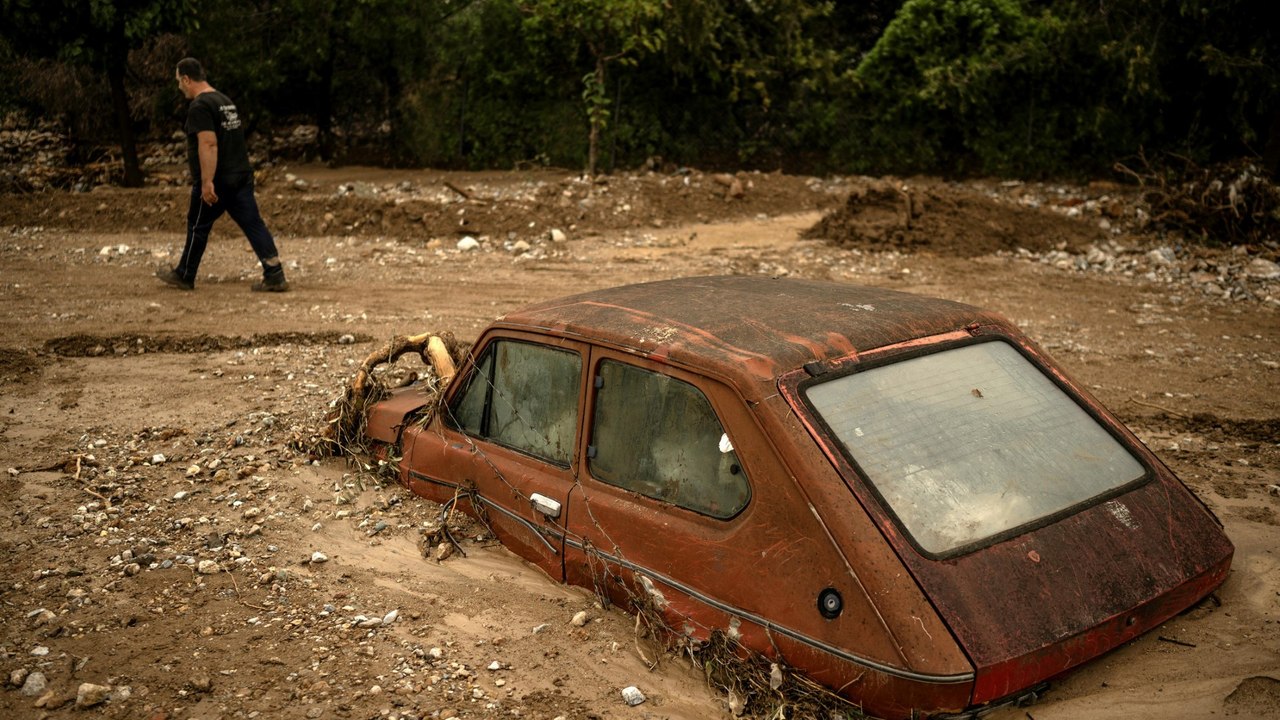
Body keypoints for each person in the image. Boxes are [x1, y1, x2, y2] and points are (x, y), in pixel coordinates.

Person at [156, 57, 288, 292]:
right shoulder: (225, 101)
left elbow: (208, 144)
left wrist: (207, 182)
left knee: (197, 225)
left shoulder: (200, 106)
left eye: (178, 81)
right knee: (253, 223)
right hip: (240, 175)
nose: (178, 87)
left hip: (219, 180)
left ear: (186, 79)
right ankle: (275, 274)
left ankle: (185, 274)